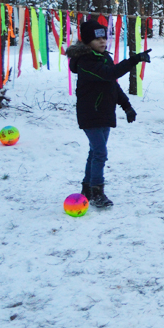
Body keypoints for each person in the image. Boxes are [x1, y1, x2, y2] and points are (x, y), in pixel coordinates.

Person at [66, 17, 151, 208]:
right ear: (88, 42)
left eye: (104, 38)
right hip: (90, 113)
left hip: (104, 112)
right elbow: (109, 74)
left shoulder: (103, 57)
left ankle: (87, 188)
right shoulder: (86, 61)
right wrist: (134, 60)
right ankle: (97, 191)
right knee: (100, 153)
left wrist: (127, 106)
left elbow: (112, 84)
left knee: (94, 152)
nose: (102, 42)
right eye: (97, 40)